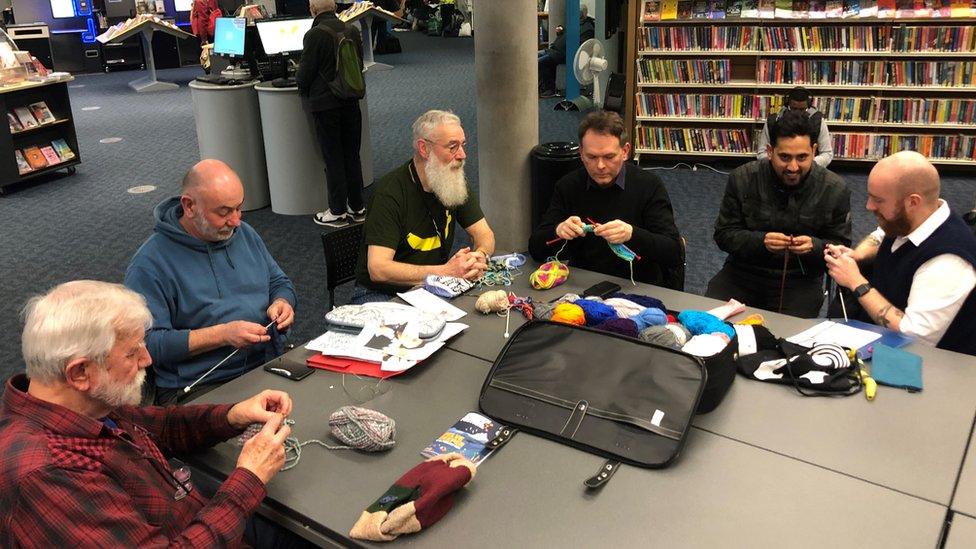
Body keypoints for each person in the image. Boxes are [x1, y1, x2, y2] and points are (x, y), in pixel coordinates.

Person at [0, 280, 299, 546]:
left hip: (192, 515)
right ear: (80, 372)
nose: (148, 358)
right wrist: (248, 477)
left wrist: (233, 415)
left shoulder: (81, 403)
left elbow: (162, 426)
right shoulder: (48, 474)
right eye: (132, 353)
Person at [125, 159, 296, 405]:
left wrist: (283, 302)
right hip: (200, 385)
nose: (236, 220)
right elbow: (146, 346)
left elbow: (279, 281)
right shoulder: (150, 265)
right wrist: (222, 335)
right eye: (224, 212)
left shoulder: (244, 234)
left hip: (264, 362)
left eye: (239, 208)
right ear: (189, 206)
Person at [824, 151, 976, 355]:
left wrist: (855, 282)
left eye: (878, 200)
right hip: (880, 340)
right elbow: (880, 236)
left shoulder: (948, 262)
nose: (868, 206)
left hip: (927, 365)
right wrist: (856, 256)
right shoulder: (912, 219)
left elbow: (914, 336)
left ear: (913, 202)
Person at [706, 109, 851, 318]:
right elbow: (723, 235)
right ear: (769, 151)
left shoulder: (835, 188)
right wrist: (761, 241)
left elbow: (842, 248)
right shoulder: (743, 178)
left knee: (789, 340)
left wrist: (815, 247)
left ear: (815, 150)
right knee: (711, 323)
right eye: (784, 157)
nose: (793, 167)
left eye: (802, 157)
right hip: (742, 273)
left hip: (800, 279)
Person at [353, 109, 495, 302]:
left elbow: (484, 234)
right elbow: (378, 269)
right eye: (452, 147)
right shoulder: (390, 193)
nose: (462, 155)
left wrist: (479, 257)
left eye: (463, 145)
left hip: (430, 285)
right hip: (381, 294)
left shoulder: (452, 179)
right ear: (424, 149)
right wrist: (446, 271)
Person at [528, 111, 683, 287]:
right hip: (583, 286)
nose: (600, 166)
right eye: (591, 157)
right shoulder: (568, 186)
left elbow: (673, 252)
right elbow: (536, 248)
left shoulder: (648, 185)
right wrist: (558, 230)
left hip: (638, 285)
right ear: (581, 153)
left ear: (625, 152)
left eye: (609, 157)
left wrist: (632, 234)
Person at [297, 0, 367, 228]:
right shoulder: (352, 30)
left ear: (313, 10)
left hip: (326, 105)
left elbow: (305, 73)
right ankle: (357, 207)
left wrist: (301, 89)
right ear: (335, 8)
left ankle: (337, 211)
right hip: (351, 101)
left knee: (333, 157)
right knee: (352, 154)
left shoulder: (314, 35)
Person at [756, 86, 834, 168]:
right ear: (787, 106)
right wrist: (779, 163)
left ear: (808, 107)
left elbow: (827, 154)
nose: (798, 113)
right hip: (778, 170)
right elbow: (761, 153)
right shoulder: (772, 121)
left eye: (802, 109)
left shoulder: (818, 122)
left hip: (809, 170)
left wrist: (806, 164)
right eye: (794, 109)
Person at [538, 4, 596, 98]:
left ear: (581, 14)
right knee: (535, 57)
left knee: (540, 62)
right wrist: (561, 30)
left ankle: (549, 89)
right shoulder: (576, 23)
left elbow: (582, 48)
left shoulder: (588, 29)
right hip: (555, 50)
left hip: (563, 54)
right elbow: (567, 33)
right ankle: (543, 87)